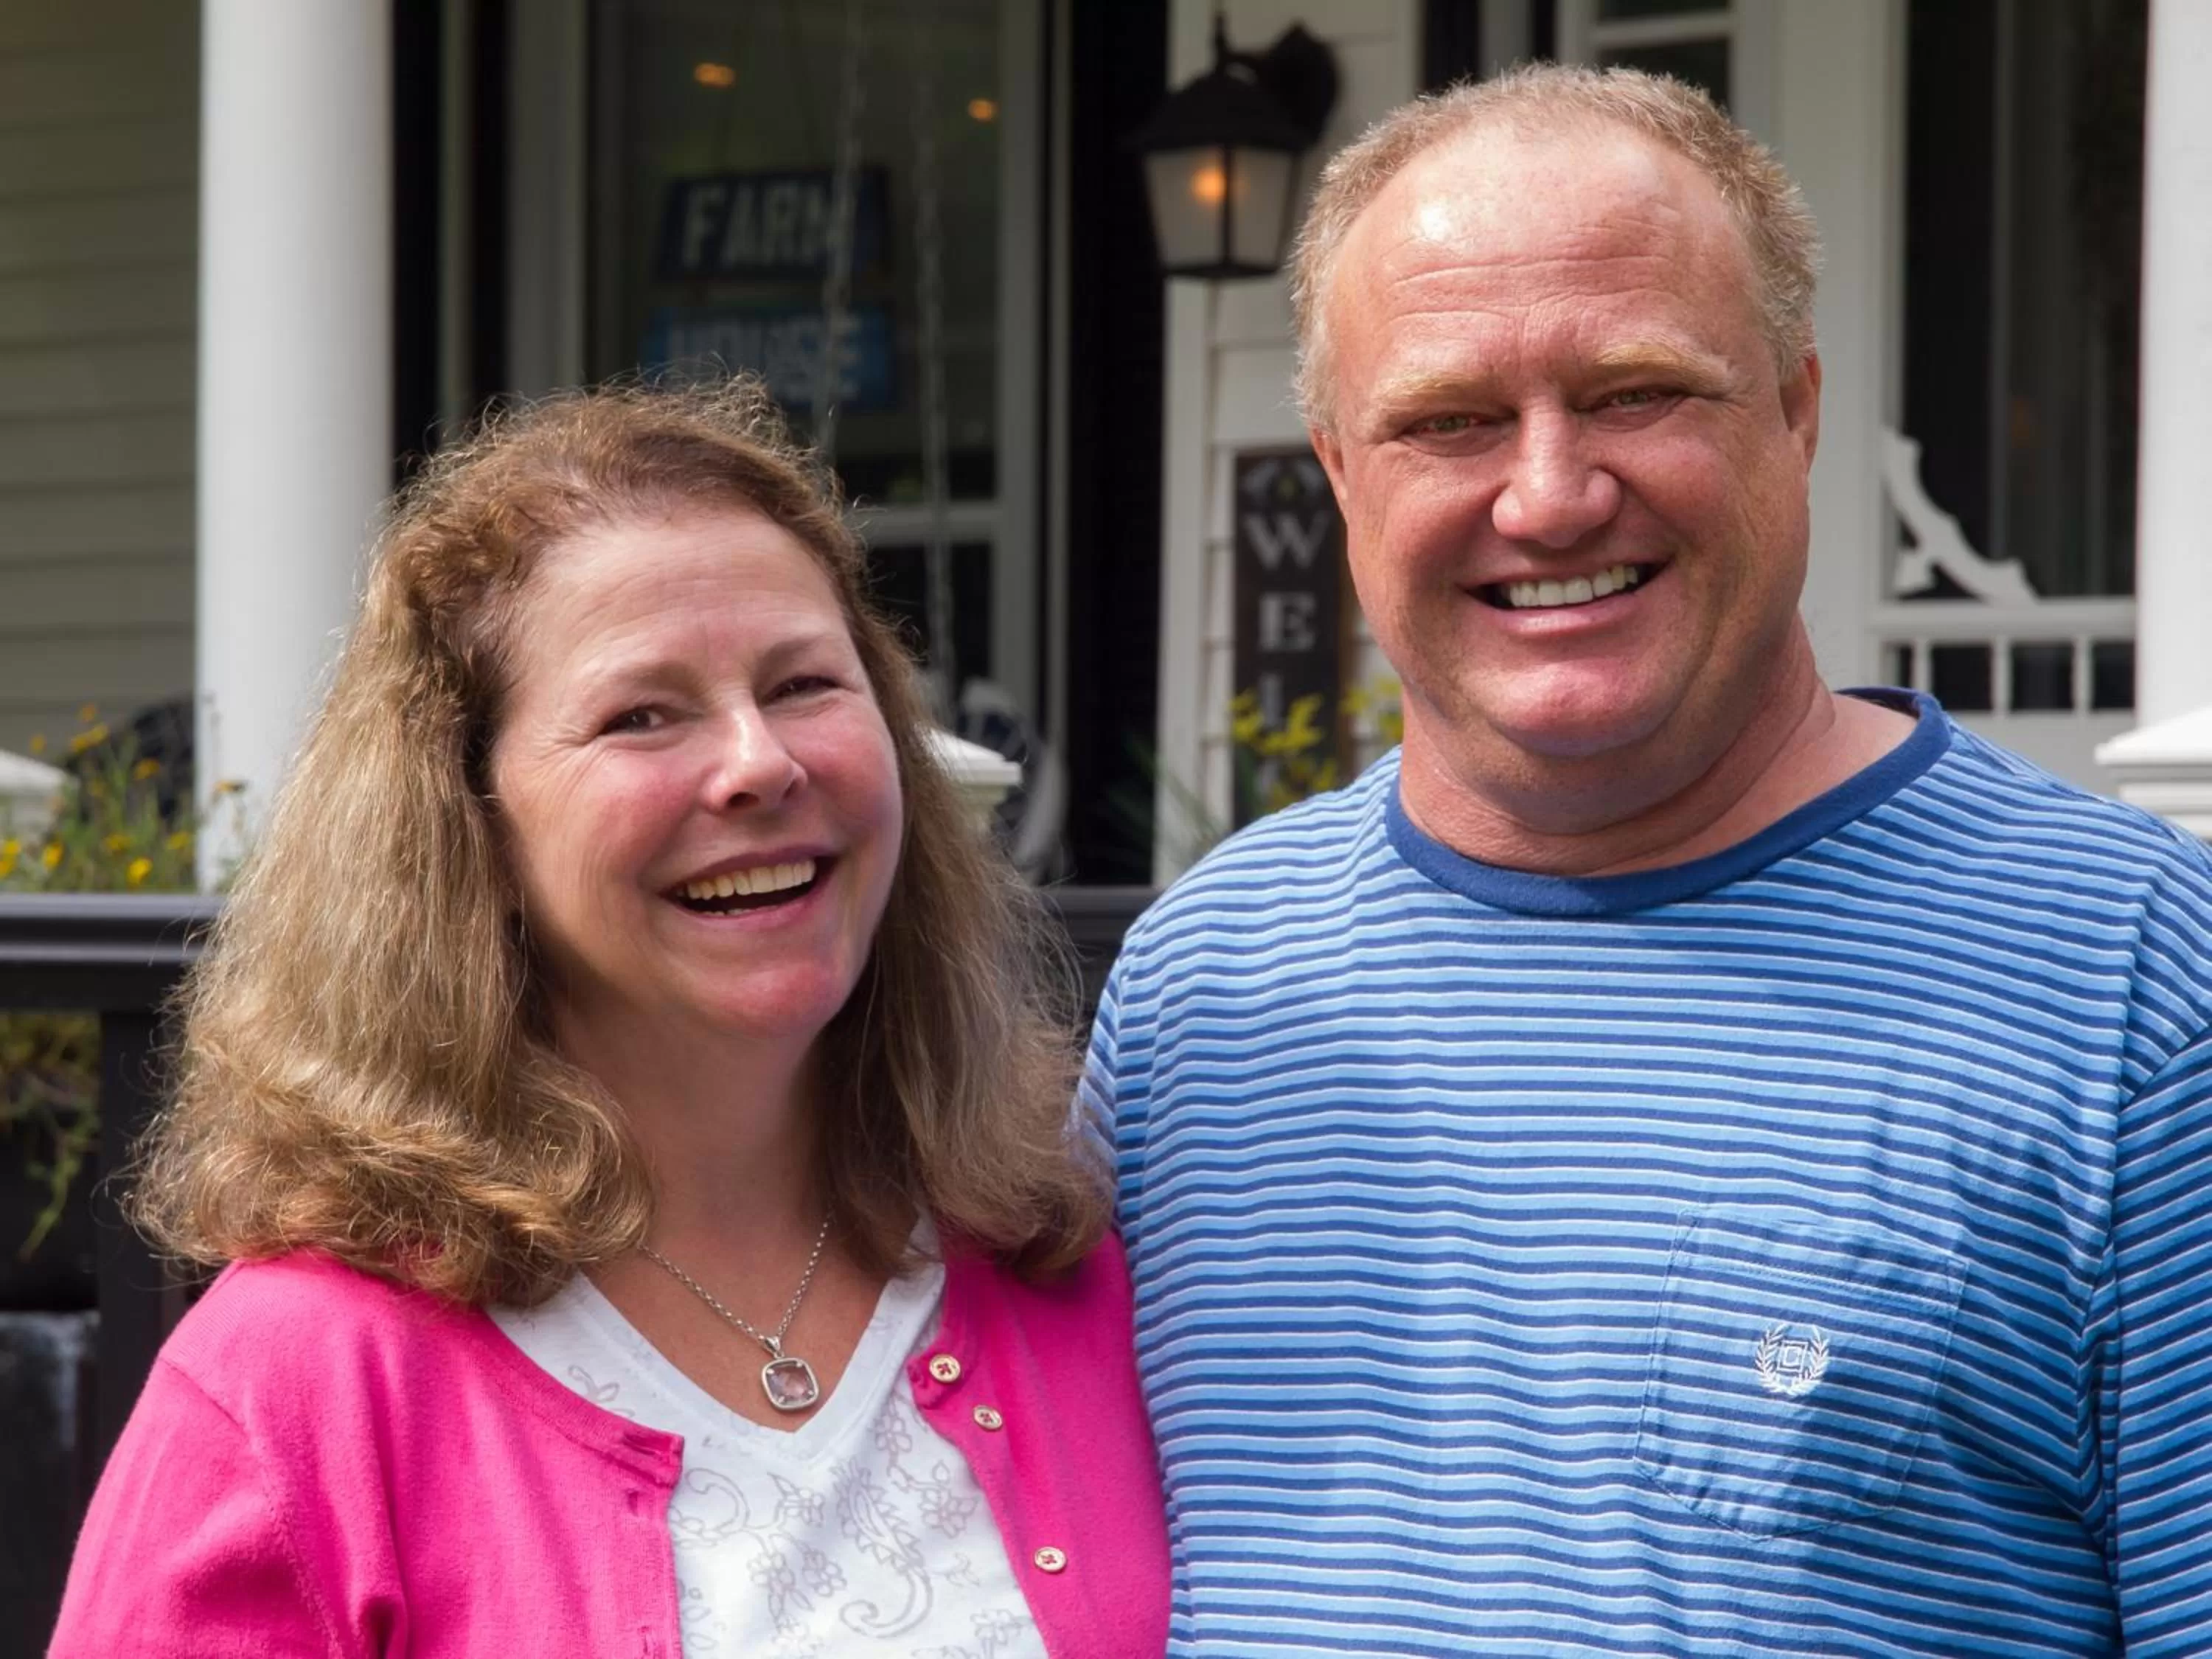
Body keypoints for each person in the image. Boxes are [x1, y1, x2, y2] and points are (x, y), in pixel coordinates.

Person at [1083, 63, 2212, 1657]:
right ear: (1342, 474)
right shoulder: (1206, 989)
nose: (1548, 496)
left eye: (1635, 393)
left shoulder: (2138, 978)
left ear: (1798, 409)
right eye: (1449, 420)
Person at [52, 381, 1168, 1658]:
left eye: (805, 682)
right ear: (466, 822)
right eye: (643, 713)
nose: (759, 761)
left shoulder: (1065, 1269)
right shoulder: (295, 1390)